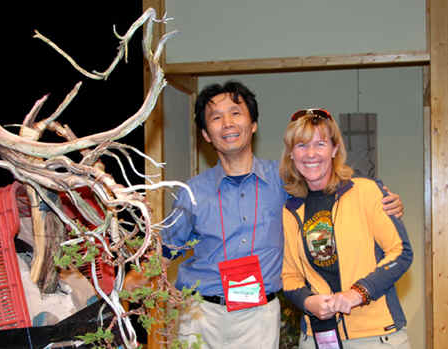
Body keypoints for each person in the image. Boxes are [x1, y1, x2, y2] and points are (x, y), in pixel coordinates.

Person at [129, 81, 402, 349]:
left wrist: (386, 201)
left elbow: (333, 189)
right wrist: (124, 288)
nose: (227, 123)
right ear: (205, 134)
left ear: (253, 125)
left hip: (259, 317)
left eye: (236, 113)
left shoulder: (286, 180)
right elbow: (165, 251)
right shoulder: (192, 192)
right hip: (201, 315)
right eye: (216, 117)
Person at [279, 108, 412, 348]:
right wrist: (309, 302)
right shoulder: (290, 210)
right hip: (317, 337)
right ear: (291, 154)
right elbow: (289, 276)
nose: (311, 154)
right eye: (301, 145)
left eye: (320, 144)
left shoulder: (366, 191)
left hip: (376, 336)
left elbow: (401, 252)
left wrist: (356, 294)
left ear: (335, 149)